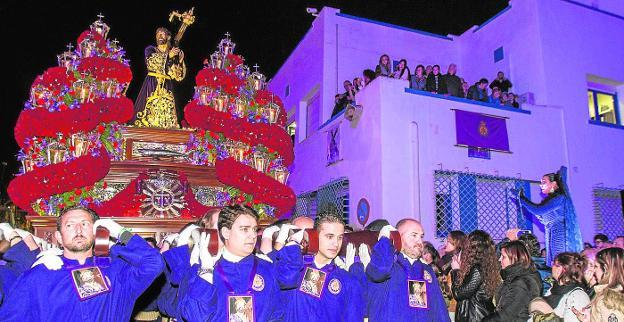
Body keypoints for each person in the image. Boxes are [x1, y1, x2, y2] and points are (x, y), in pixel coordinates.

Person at [0, 206, 163, 321]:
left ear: (95, 231)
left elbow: (153, 263)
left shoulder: (116, 272)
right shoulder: (38, 276)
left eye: (85, 224)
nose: (78, 230)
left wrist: (119, 235)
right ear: (58, 236)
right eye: (70, 225)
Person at [168, 205, 301, 322]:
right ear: (226, 232)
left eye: (254, 229)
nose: (253, 235)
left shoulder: (267, 268)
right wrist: (207, 270)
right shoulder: (202, 270)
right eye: (244, 229)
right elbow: (194, 317)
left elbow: (277, 314)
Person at [276, 211, 365, 322]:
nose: (336, 244)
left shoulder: (348, 281)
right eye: (329, 237)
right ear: (314, 236)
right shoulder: (295, 272)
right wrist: (291, 244)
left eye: (340, 238)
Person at [366, 219, 450, 321]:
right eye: (414, 235)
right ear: (398, 237)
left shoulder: (426, 270)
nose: (420, 242)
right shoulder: (388, 264)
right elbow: (379, 272)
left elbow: (439, 309)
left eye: (421, 236)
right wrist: (384, 240)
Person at [514, 167, 583, 266]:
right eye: (541, 182)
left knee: (560, 263)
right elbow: (540, 213)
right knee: (554, 264)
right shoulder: (553, 200)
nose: (541, 185)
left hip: (560, 236)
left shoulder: (559, 198)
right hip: (552, 234)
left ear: (554, 184)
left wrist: (522, 199)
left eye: (544, 182)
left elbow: (537, 210)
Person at [133, 27, 187, 129]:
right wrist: (168, 56)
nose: (160, 36)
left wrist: (179, 61)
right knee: (147, 113)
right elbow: (151, 62)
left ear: (168, 37)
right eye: (158, 34)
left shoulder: (173, 52)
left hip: (167, 86)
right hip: (152, 84)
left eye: (162, 34)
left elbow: (177, 75)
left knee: (167, 114)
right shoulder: (150, 49)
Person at [483, 241, 542, 321]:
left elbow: (506, 316)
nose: (499, 259)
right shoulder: (513, 277)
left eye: (503, 257)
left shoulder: (522, 283)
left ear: (514, 258)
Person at [451, 230, 499, 322]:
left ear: (472, 248)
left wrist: (456, 270)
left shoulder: (477, 270)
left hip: (475, 317)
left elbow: (459, 294)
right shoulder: (483, 267)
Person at [528, 252, 590, 321]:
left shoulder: (577, 296)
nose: (552, 267)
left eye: (554, 264)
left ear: (563, 269)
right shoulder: (553, 289)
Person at [573, 247, 624, 321]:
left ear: (605, 269)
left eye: (596, 266)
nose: (593, 270)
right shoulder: (609, 292)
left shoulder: (609, 299)